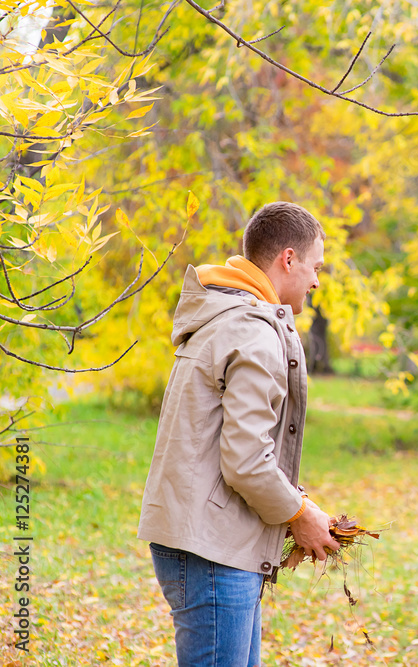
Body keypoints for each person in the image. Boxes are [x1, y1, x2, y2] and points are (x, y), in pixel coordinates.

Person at [138, 202, 341, 667]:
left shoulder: (226, 316)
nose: (316, 281)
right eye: (315, 267)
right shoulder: (251, 332)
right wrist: (299, 513)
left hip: (209, 542)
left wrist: (295, 507)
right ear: (288, 259)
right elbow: (246, 461)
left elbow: (229, 447)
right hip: (212, 552)